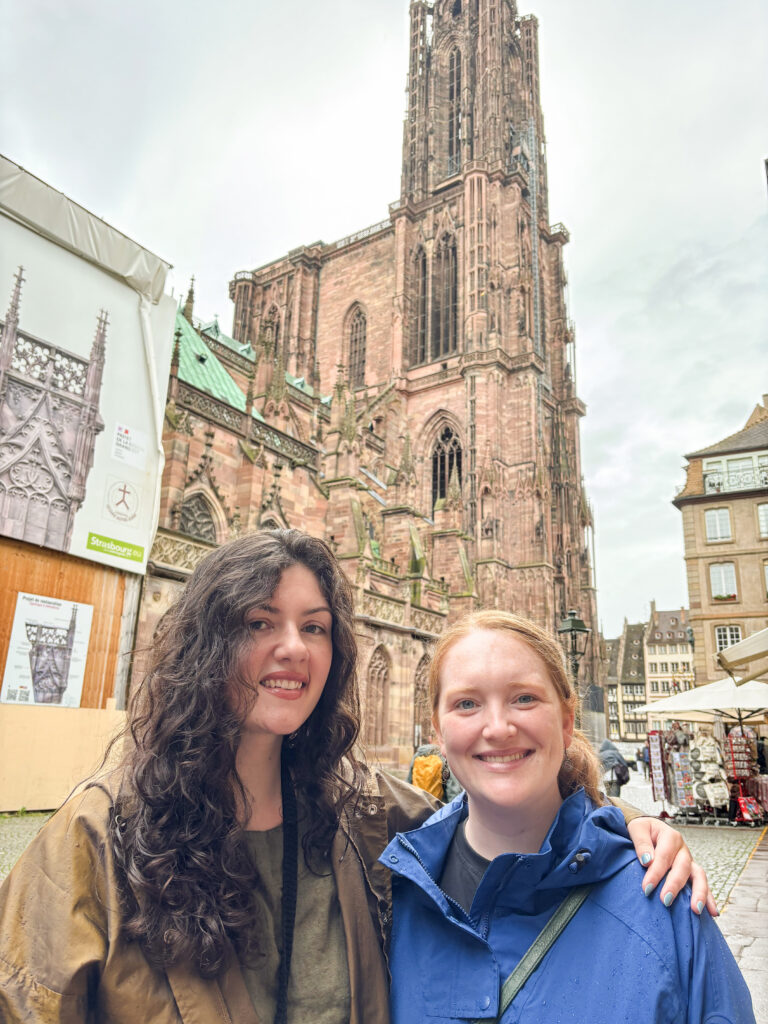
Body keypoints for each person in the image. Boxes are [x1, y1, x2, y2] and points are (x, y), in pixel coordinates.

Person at [0, 532, 713, 1023]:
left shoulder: (365, 812)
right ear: (206, 642)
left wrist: (624, 830)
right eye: (258, 621)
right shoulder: (100, 832)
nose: (292, 649)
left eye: (314, 627)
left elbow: (503, 818)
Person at [381, 611, 753, 1024]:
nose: (499, 727)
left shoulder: (666, 904)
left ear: (566, 721)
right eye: (466, 703)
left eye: (524, 698)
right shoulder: (387, 897)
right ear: (438, 733)